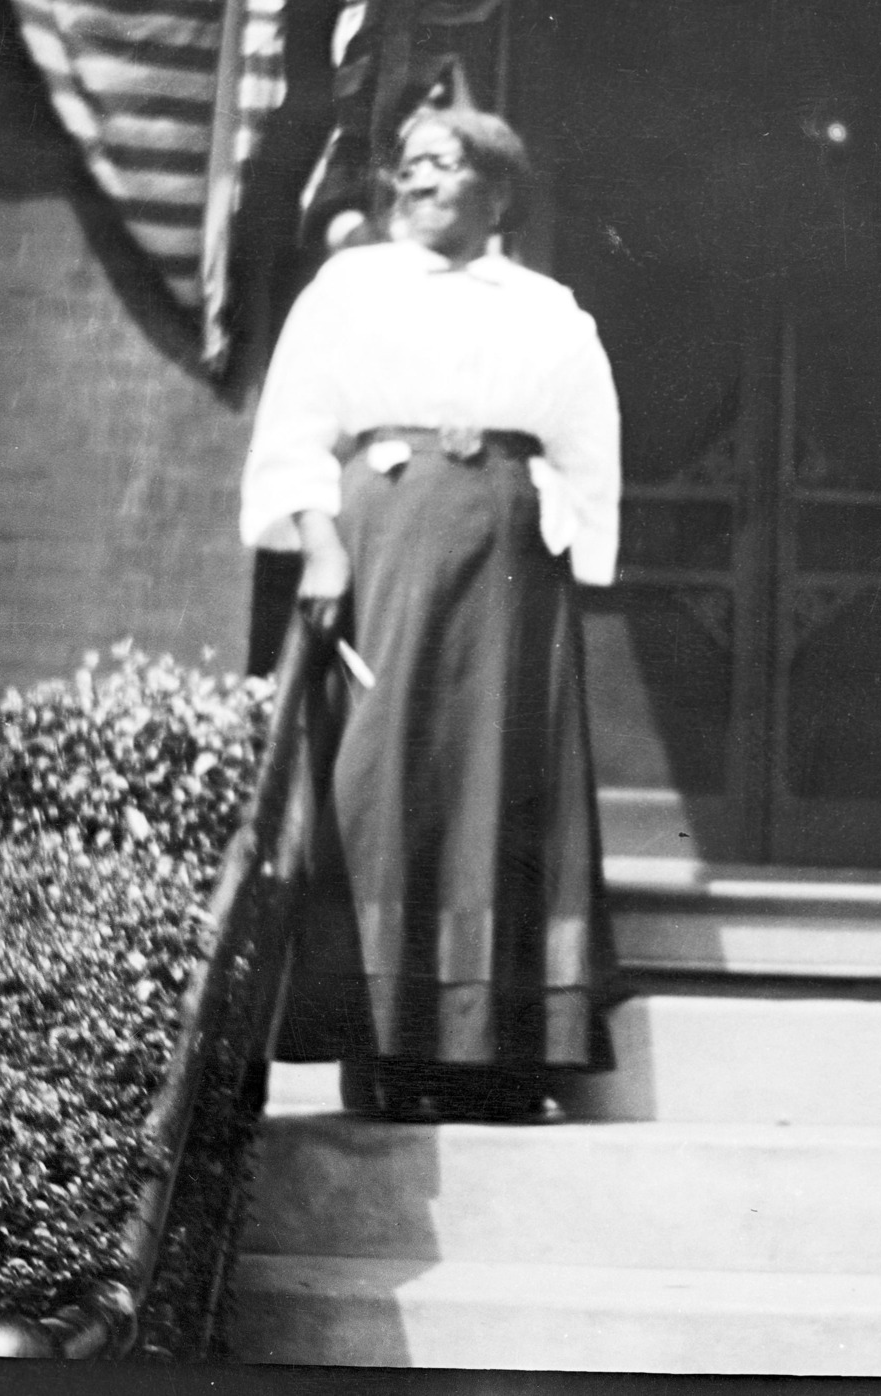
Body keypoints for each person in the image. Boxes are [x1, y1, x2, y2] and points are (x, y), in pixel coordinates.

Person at [240, 107, 620, 1121]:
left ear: (497, 192)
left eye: (444, 165)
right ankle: (389, 1054)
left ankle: (506, 1061)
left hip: (510, 568)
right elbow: (293, 429)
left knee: (502, 783)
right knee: (385, 776)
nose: (415, 180)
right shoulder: (349, 289)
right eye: (407, 165)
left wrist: (553, 521)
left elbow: (587, 442)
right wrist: (321, 546)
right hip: (388, 547)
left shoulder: (544, 308)